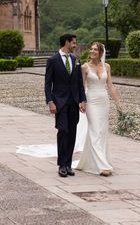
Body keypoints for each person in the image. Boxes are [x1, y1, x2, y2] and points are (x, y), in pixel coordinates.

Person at [75, 42, 123, 176]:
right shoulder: (84, 67)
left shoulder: (107, 66)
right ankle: (102, 165)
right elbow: (81, 86)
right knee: (95, 129)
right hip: (91, 101)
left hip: (103, 101)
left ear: (101, 52)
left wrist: (118, 103)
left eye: (95, 49)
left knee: (101, 132)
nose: (92, 51)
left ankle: (94, 160)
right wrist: (81, 101)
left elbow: (110, 86)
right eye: (91, 49)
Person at [44, 33, 87, 178]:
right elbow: (47, 83)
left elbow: (79, 83)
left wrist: (82, 100)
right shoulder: (53, 60)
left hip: (74, 102)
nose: (75, 45)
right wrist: (50, 102)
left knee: (72, 133)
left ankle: (68, 164)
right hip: (59, 102)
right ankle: (61, 164)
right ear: (66, 43)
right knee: (63, 131)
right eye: (73, 43)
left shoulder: (75, 60)